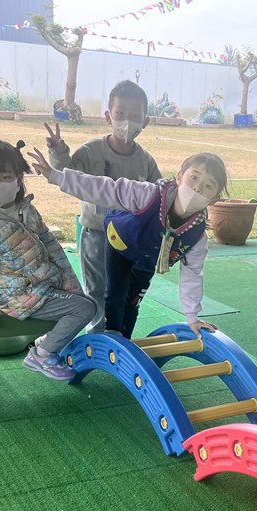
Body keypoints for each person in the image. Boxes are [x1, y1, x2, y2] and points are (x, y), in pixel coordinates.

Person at [28, 147, 226, 339]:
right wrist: (56, 176)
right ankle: (113, 333)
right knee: (115, 294)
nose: (197, 188)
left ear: (214, 199)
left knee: (133, 302)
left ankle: (125, 341)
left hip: (147, 260)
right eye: (194, 177)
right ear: (180, 176)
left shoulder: (197, 237)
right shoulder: (149, 194)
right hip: (120, 244)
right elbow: (103, 188)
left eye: (208, 186)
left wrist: (192, 317)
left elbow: (192, 275)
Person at [0, 137, 95, 382]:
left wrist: (72, 287)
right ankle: (42, 353)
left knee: (83, 302)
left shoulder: (28, 210)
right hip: (18, 297)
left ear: (18, 178)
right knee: (84, 309)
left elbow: (54, 249)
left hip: (43, 288)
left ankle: (46, 343)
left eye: (6, 176)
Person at [43, 80, 162, 334]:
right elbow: (68, 173)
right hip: (97, 235)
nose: (127, 121)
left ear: (145, 122)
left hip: (130, 240)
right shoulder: (92, 151)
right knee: (97, 289)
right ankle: (97, 337)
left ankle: (121, 336)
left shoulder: (145, 160)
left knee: (125, 291)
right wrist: (58, 151)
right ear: (108, 116)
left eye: (135, 116)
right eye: (120, 113)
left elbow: (159, 197)